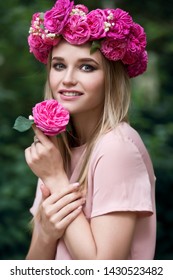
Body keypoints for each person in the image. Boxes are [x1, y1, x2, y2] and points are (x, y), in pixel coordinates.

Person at [25, 0, 156, 260]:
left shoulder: (116, 147)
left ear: (111, 78)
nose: (67, 79)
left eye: (87, 67)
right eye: (59, 65)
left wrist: (56, 179)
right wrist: (46, 234)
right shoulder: (57, 149)